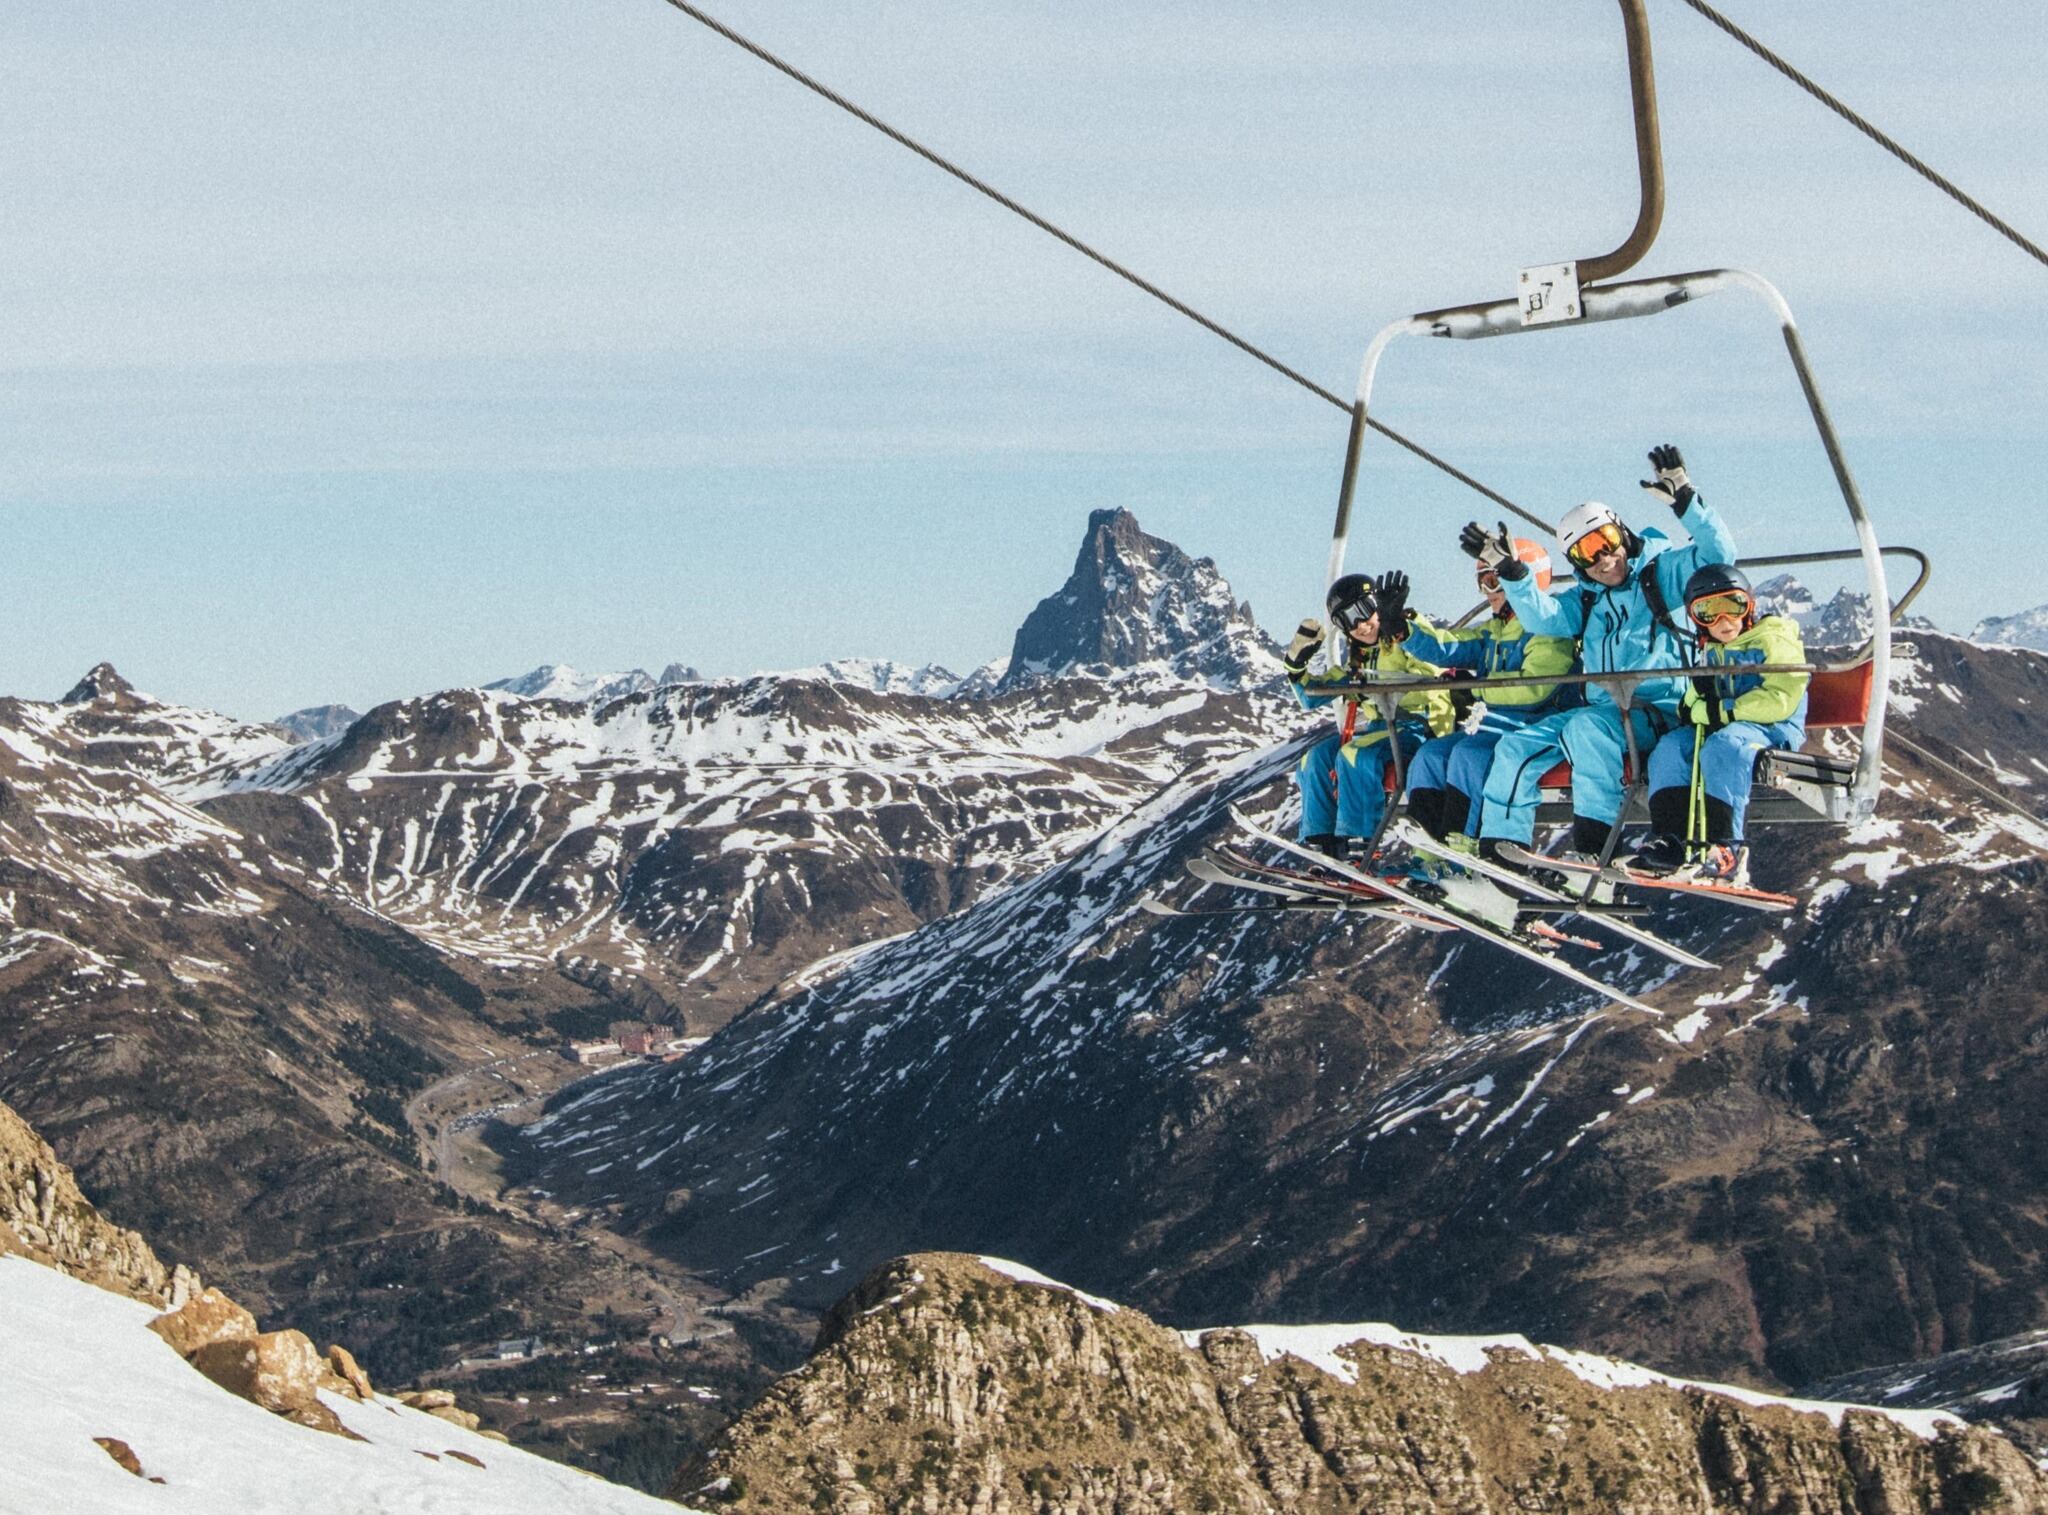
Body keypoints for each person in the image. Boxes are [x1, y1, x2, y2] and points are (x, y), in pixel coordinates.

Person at [1464, 444, 1739, 872]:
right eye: (1584, 555)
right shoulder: (1586, 600)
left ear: (1622, 534)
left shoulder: (1659, 577)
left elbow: (1718, 555)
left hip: (1657, 708)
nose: (1602, 560)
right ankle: (1502, 847)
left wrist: (1686, 500)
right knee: (1516, 745)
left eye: (1606, 543)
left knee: (1587, 727)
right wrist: (1514, 575)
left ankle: (1598, 843)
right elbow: (1543, 617)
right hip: (1605, 712)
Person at [1383, 543, 1578, 857]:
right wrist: (1404, 630)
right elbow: (1449, 646)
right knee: (1431, 755)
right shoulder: (1495, 631)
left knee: (1468, 755)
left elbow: (1536, 689)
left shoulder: (1548, 628)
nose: (1487, 592)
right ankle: (1428, 854)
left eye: (1493, 581)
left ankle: (1464, 847)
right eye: (1482, 582)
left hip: (1539, 727)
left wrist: (1478, 688)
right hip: (1498, 729)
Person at [1627, 564, 1808, 885]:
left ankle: (1726, 846)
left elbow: (1783, 695)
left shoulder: (1773, 638)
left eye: (1732, 606)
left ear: (1749, 606)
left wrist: (1722, 711)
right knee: (1670, 749)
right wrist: (1695, 706)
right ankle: (1670, 838)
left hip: (1773, 727)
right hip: (1723, 726)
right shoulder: (1710, 650)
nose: (1723, 621)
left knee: (1723, 748)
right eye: (1707, 612)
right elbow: (1697, 695)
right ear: (1695, 619)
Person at [1284, 571, 1454, 856]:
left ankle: (1363, 843)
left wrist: (1379, 687)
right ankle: (1326, 844)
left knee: (1353, 754)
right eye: (1347, 620)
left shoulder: (1405, 631)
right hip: (1382, 731)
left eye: (1363, 610)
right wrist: (1296, 668)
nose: (1360, 625)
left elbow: (1432, 674)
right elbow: (1309, 698)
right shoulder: (1360, 657)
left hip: (1418, 728)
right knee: (1312, 760)